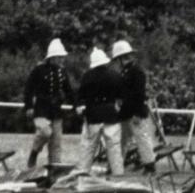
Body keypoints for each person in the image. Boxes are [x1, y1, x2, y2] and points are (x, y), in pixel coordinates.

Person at [23, 38, 74, 169]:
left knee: (56, 143)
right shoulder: (39, 70)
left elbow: (69, 91)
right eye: (59, 57)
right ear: (52, 57)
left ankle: (54, 170)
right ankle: (34, 152)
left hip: (56, 110)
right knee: (45, 132)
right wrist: (28, 106)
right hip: (41, 109)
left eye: (62, 57)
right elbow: (29, 89)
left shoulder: (62, 72)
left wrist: (76, 105)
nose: (62, 60)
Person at [77, 47, 124, 176]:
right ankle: (118, 173)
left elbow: (81, 96)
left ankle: (83, 172)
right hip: (111, 114)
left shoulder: (87, 76)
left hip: (93, 115)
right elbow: (121, 96)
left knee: (88, 146)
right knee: (114, 147)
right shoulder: (115, 75)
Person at [111, 39, 156, 174]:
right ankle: (117, 164)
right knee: (121, 140)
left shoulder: (137, 72)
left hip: (135, 111)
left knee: (142, 138)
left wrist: (136, 113)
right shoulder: (126, 71)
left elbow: (139, 94)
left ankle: (150, 165)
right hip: (126, 111)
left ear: (120, 58)